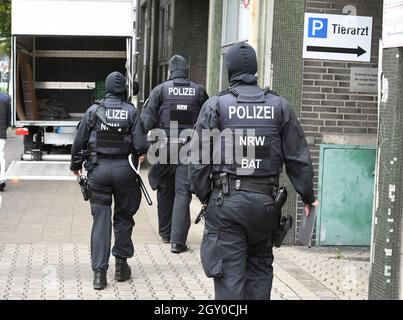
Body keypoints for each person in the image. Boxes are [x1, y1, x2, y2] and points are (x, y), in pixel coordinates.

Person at [188, 42, 319, 300]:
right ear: (256, 70)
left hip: (227, 206)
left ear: (230, 70)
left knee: (229, 282)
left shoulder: (216, 105)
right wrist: (307, 195)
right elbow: (297, 156)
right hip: (266, 207)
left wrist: (206, 196)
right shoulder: (279, 106)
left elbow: (199, 160)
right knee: (259, 275)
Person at [70, 71, 148, 290]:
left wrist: (75, 167)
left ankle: (99, 275)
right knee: (123, 217)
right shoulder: (132, 112)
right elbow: (141, 146)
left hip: (99, 171)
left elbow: (79, 142)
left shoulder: (93, 111)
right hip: (125, 171)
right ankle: (121, 267)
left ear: (106, 88)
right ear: (124, 89)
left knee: (101, 221)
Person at [141, 55, 209, 253]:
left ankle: (165, 232)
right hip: (188, 150)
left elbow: (146, 122)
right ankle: (177, 242)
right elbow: (208, 119)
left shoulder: (160, 90)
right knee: (182, 193)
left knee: (164, 189)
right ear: (187, 71)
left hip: (162, 149)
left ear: (170, 72)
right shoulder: (198, 91)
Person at [0, 92, 11, 191]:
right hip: (1, 133)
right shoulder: (5, 98)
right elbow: (8, 119)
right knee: (0, 156)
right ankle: (2, 179)